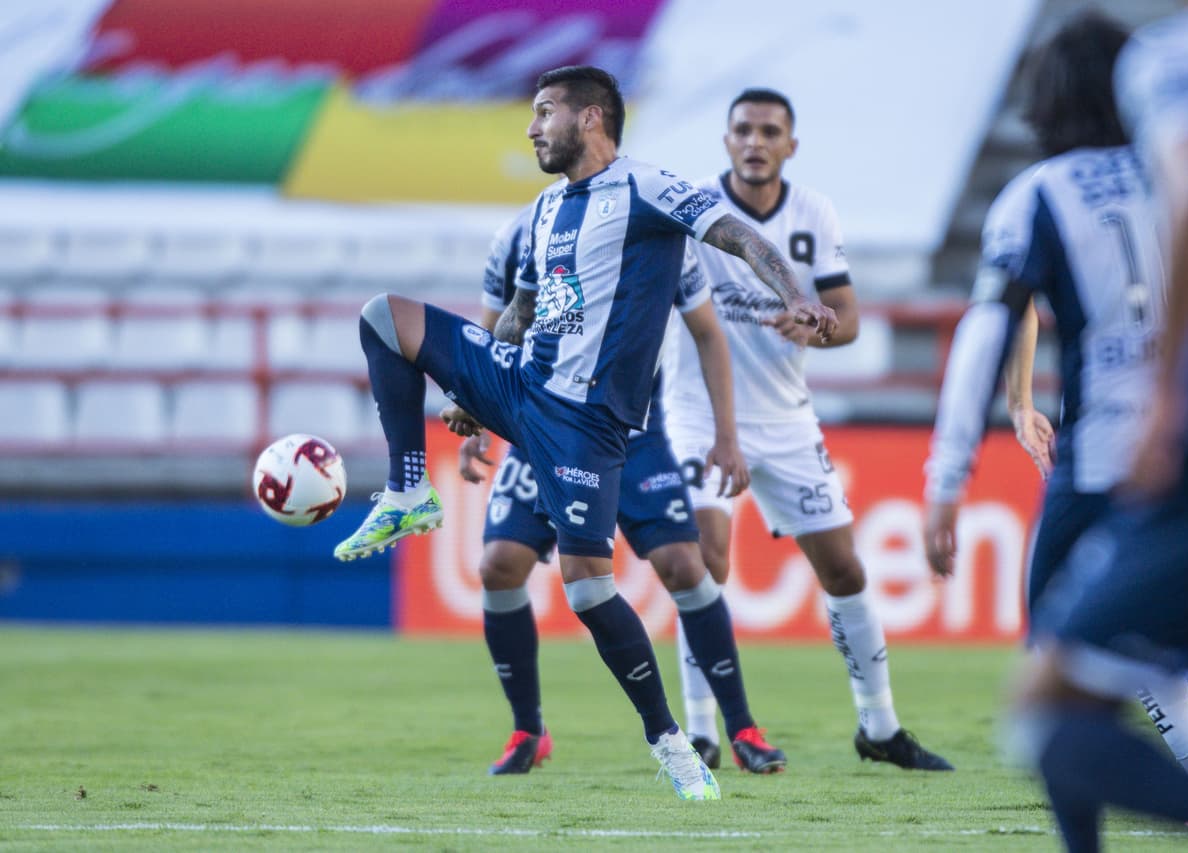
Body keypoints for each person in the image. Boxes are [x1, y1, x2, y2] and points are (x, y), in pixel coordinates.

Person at [334, 66, 835, 801]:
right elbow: (522, 310)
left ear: (591, 117)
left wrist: (796, 293)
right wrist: (474, 391)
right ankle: (408, 490)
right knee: (383, 317)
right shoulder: (544, 208)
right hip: (523, 384)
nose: (532, 127)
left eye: (544, 112)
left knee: (589, 589)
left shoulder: (647, 188)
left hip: (587, 423)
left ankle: (671, 742)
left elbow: (738, 236)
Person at [936, 4, 1188, 848]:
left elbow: (988, 324)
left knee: (1052, 695)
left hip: (1129, 461)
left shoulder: (1054, 183)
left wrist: (946, 477)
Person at [664, 88, 951, 771]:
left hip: (787, 417)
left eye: (770, 132)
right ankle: (701, 730)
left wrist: (816, 326)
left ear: (791, 145)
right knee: (706, 558)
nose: (755, 142)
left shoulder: (813, 212)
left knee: (844, 567)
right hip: (698, 411)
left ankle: (879, 726)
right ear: (727, 141)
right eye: (743, 130)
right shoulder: (696, 208)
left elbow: (846, 319)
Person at [452, 208, 786, 776]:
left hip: (630, 430)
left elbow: (708, 332)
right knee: (498, 564)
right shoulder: (520, 233)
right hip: (544, 424)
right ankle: (528, 730)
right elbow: (488, 333)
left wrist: (726, 436)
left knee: (685, 564)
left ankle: (743, 729)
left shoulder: (654, 228)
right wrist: (474, 415)